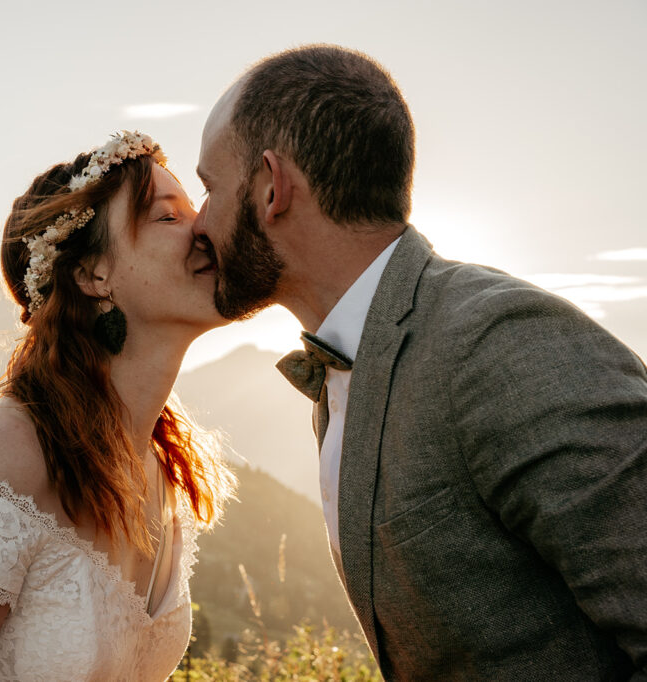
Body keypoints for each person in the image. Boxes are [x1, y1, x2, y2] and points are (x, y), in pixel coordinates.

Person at [192, 45, 647, 680]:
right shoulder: (344, 366)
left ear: (272, 188)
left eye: (209, 187)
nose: (198, 220)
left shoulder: (500, 342)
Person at [0, 131, 235, 681]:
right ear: (93, 275)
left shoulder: (163, 471)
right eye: (168, 217)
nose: (204, 228)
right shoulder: (7, 457)